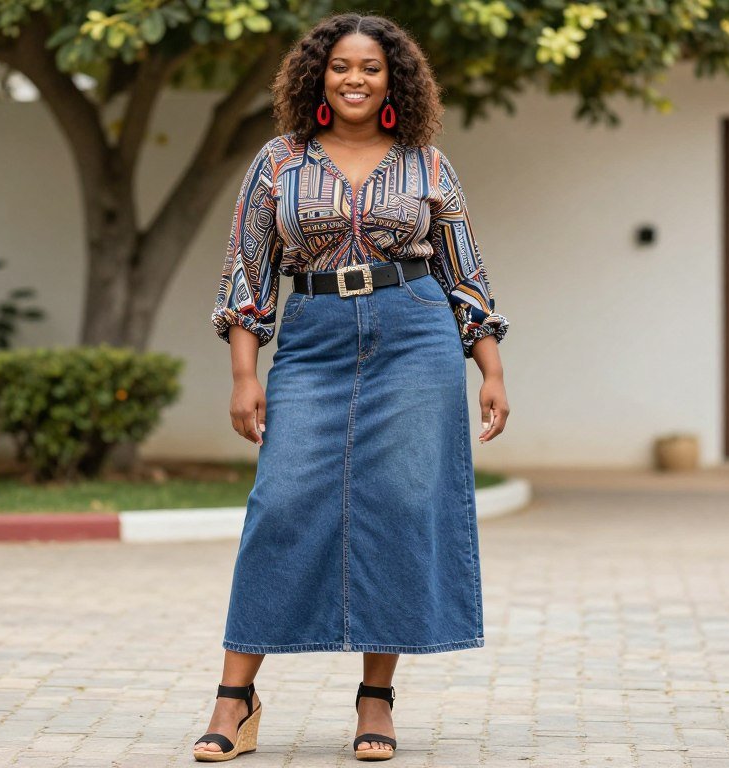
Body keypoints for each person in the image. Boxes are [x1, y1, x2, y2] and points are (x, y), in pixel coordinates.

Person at [196, 11, 510, 763]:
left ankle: (377, 698)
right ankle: (235, 699)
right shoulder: (280, 161)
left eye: (371, 67)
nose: (356, 78)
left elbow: (464, 272)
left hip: (415, 331)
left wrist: (490, 366)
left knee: (401, 503)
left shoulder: (428, 164)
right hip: (314, 337)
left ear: (393, 79)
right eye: (341, 66)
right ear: (319, 77)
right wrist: (245, 375)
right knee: (281, 503)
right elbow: (248, 271)